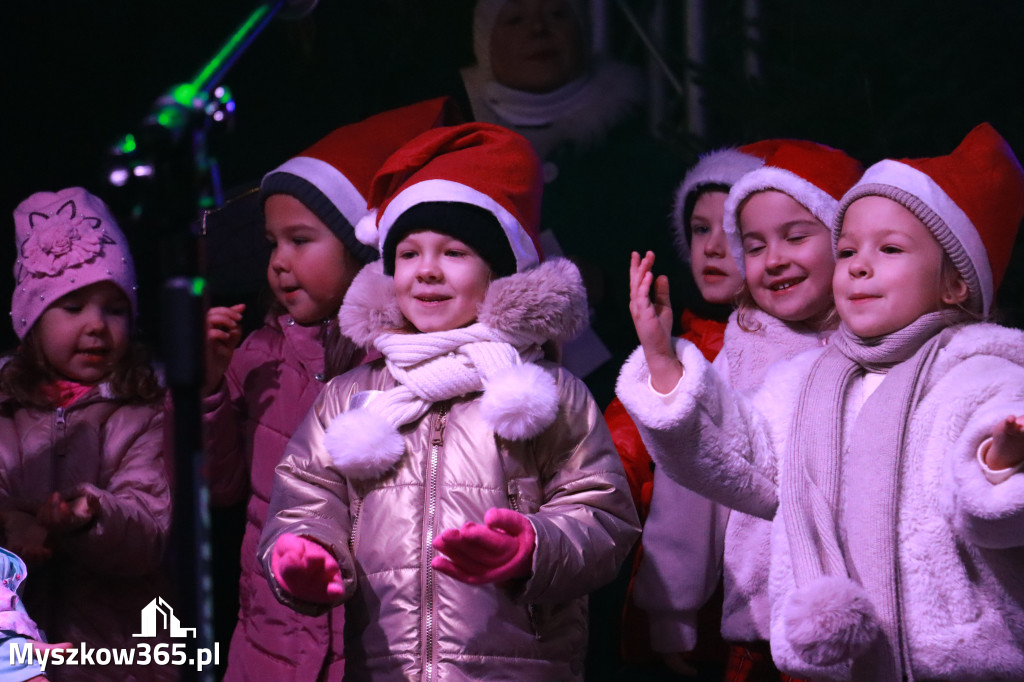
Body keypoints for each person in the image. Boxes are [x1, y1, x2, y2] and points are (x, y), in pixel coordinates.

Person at [619, 122, 1024, 681]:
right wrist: (664, 363)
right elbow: (736, 460)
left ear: (955, 282)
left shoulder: (982, 374)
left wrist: (1001, 465)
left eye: (889, 249)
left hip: (944, 661)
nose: (858, 264)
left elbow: (996, 516)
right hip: (820, 656)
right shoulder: (803, 380)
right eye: (849, 249)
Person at [257, 122, 641, 680]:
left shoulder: (545, 392)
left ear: (499, 272)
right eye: (409, 253)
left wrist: (535, 545)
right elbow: (306, 496)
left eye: (455, 251)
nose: (427, 269)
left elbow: (604, 516)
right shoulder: (352, 396)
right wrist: (303, 552)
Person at [202, 97, 460, 681]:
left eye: (300, 240)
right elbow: (219, 489)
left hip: (375, 644)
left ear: (359, 246)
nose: (280, 262)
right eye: (272, 243)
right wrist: (210, 388)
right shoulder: (259, 355)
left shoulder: (400, 363)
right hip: (271, 643)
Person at [460, 0, 691, 408]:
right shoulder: (459, 155)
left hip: (623, 400)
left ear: (584, 34)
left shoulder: (644, 157)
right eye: (515, 18)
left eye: (557, 15)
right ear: (484, 44)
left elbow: (688, 279)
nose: (538, 30)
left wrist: (608, 283)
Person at [606, 143, 767, 676]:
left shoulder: (804, 355)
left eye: (734, 230)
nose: (715, 247)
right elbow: (612, 463)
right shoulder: (674, 351)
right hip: (686, 625)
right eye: (701, 229)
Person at [0, 188, 171, 681]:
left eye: (114, 309)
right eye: (72, 307)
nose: (97, 325)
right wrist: (12, 522)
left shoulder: (145, 409)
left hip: (114, 657)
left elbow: (149, 531)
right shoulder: (4, 408)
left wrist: (88, 515)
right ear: (31, 319)